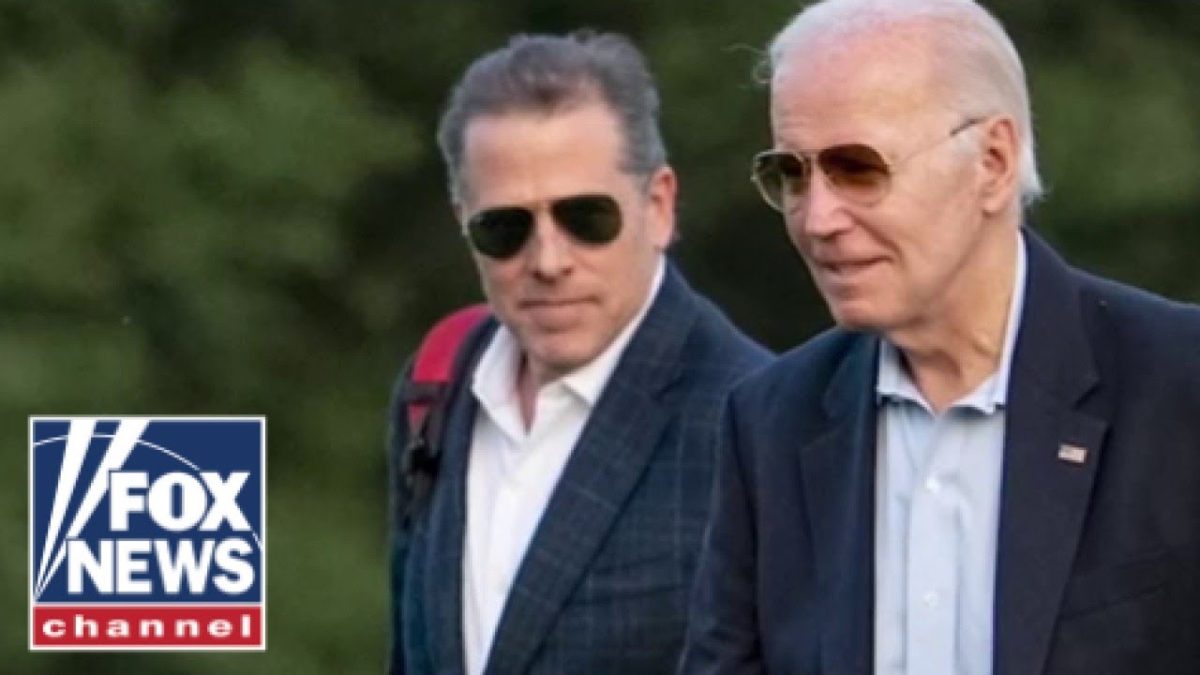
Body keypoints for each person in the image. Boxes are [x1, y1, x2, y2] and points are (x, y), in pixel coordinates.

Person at [680, 1, 1200, 673]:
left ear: (992, 162)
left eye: (857, 168)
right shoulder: (771, 421)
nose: (817, 218)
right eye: (792, 174)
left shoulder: (1177, 386)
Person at [386, 30, 771, 675]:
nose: (548, 260)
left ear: (659, 206)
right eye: (505, 227)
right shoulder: (437, 384)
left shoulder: (757, 420)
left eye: (586, 218)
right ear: (463, 223)